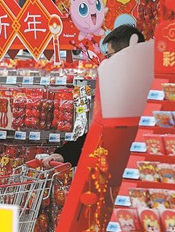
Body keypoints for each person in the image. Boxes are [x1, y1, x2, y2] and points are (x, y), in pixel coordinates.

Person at [43, 23, 145, 168]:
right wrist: (64, 155)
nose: (106, 62)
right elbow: (99, 132)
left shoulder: (143, 92)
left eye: (109, 56)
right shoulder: (119, 90)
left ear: (125, 54)